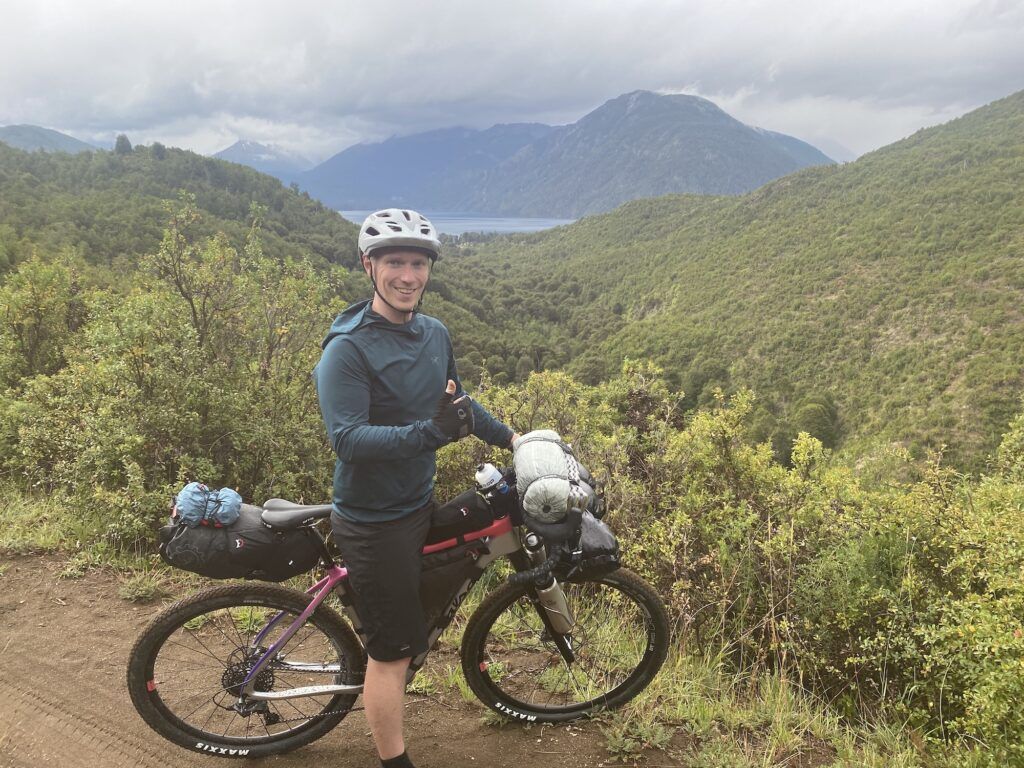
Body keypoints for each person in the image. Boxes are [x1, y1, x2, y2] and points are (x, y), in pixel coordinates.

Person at [314, 209, 517, 768]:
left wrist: (516, 440)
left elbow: (459, 405)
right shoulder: (347, 350)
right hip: (374, 520)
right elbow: (349, 440)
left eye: (418, 263)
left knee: (447, 574)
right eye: (395, 262)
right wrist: (430, 433)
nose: (408, 276)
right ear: (369, 266)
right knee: (392, 653)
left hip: (415, 503)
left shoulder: (434, 333)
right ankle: (393, 761)